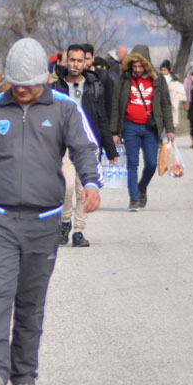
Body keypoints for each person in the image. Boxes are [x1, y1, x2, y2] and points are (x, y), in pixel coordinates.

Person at [0, 37, 102, 385]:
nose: (23, 91)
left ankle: (24, 377)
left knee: (31, 301)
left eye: (30, 84)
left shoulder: (65, 108)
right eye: (17, 84)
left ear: (44, 78)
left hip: (44, 221)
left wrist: (93, 182)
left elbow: (84, 149)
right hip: (0, 219)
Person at [52, 44, 118, 247]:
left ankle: (79, 230)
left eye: (80, 61)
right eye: (72, 60)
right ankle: (64, 222)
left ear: (85, 62)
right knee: (66, 186)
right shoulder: (56, 88)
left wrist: (110, 148)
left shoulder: (94, 86)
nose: (75, 64)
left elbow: (102, 118)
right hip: (63, 145)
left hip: (88, 144)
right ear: (65, 61)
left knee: (84, 189)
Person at [110, 44, 176, 212]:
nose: (137, 69)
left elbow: (165, 104)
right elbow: (117, 105)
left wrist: (169, 129)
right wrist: (115, 132)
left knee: (152, 163)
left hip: (150, 128)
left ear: (147, 64)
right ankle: (133, 198)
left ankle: (142, 186)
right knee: (132, 163)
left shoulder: (158, 79)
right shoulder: (125, 79)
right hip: (130, 127)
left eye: (141, 66)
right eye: (135, 66)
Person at [159, 59, 185, 130]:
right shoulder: (158, 79)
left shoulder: (174, 80)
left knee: (171, 123)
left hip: (172, 103)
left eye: (165, 70)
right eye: (162, 70)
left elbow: (179, 90)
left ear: (168, 70)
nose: (163, 72)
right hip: (161, 103)